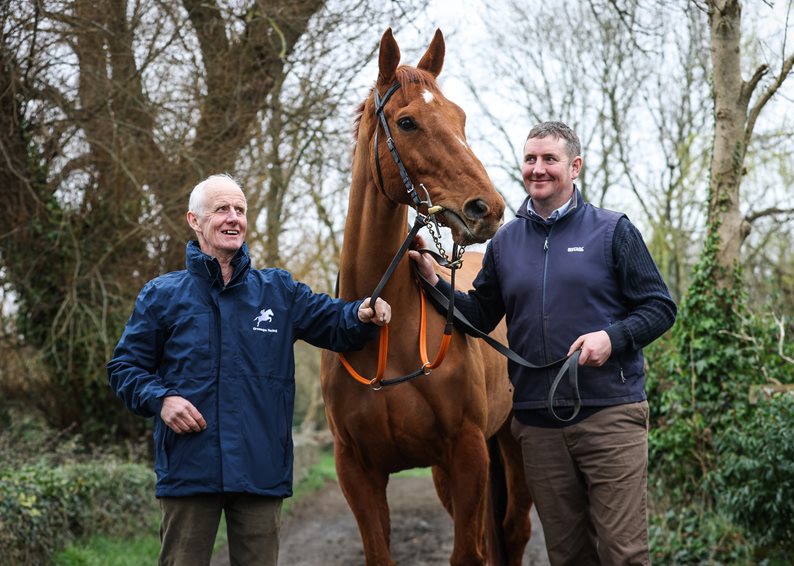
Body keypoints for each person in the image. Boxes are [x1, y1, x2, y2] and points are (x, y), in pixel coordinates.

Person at [410, 121, 676, 565]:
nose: (538, 169)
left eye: (549, 159)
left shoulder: (613, 231)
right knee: (567, 556)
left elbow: (659, 307)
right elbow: (478, 317)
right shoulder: (505, 242)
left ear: (574, 167)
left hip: (610, 416)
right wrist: (434, 280)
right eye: (530, 159)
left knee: (624, 554)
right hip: (538, 425)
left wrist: (612, 338)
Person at [107, 173, 391, 566]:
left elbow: (336, 322)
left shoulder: (278, 291)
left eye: (240, 210)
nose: (233, 218)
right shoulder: (162, 295)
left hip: (260, 468)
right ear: (194, 220)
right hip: (190, 468)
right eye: (222, 208)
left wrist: (361, 312)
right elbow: (125, 367)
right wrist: (162, 400)